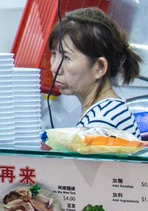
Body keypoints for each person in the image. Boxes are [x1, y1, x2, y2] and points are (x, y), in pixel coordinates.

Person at [48, 7, 142, 136]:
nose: (54, 68)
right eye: (54, 54)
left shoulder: (101, 125)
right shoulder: (105, 110)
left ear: (100, 68)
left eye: (66, 57)